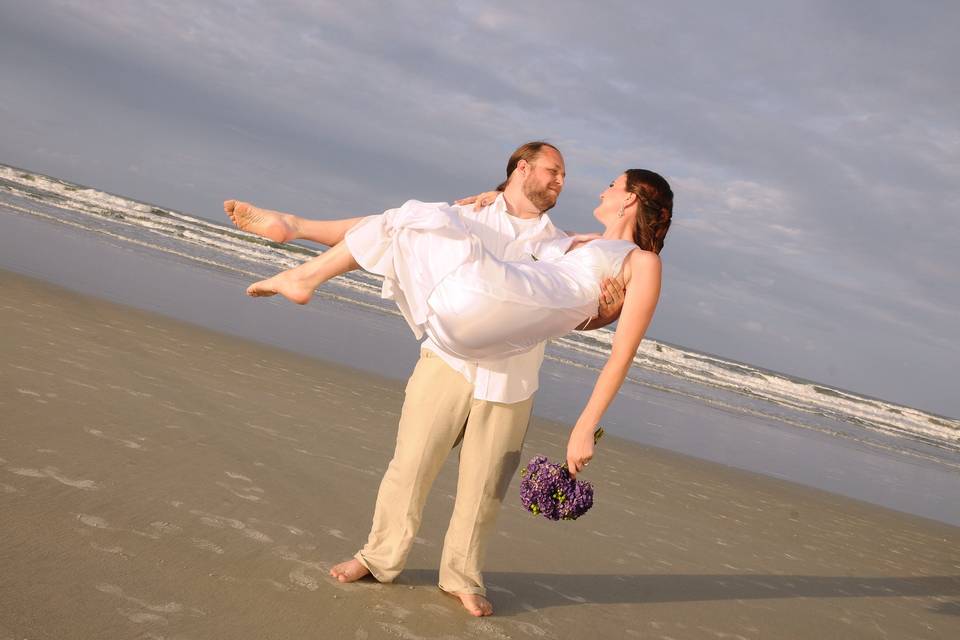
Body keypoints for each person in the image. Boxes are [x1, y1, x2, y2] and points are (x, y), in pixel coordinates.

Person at [225, 144, 671, 616]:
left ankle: (462, 576)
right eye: (554, 171)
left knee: (484, 487)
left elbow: (613, 343)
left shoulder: (618, 255)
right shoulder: (536, 231)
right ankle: (378, 557)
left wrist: (587, 423)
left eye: (610, 185)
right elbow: (387, 234)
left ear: (629, 200)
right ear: (522, 171)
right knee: (410, 463)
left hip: (510, 374)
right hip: (451, 354)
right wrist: (481, 200)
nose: (579, 185)